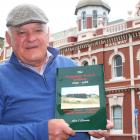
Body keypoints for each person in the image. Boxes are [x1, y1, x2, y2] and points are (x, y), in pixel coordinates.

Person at [0, 4, 113, 140]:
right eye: (22, 33)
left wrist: (97, 123)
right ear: (8, 38)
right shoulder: (2, 76)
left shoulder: (70, 66)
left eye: (38, 30)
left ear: (48, 33)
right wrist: (40, 132)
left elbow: (85, 114)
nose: (31, 38)